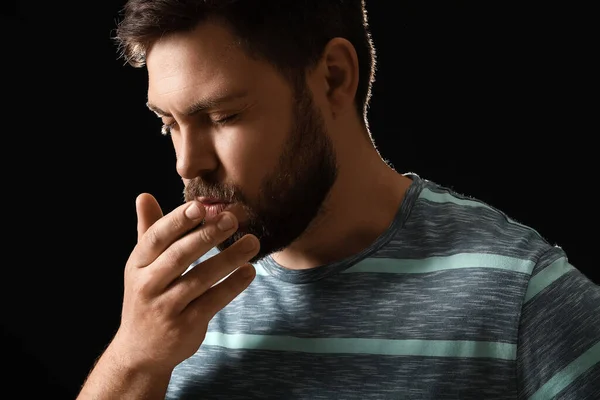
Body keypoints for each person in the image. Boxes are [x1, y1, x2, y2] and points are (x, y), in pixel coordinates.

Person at [77, 1, 600, 399]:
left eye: (222, 117)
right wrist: (133, 358)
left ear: (334, 78)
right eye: (168, 123)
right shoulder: (171, 300)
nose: (187, 164)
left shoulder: (522, 297)